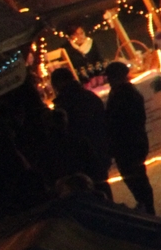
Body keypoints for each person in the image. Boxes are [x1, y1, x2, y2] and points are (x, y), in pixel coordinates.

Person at [49, 67, 112, 199]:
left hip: (82, 155)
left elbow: (69, 131)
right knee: (102, 186)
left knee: (90, 190)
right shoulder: (89, 96)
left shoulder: (65, 103)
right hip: (100, 148)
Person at [103, 61, 154, 214]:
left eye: (110, 77)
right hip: (132, 143)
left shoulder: (124, 95)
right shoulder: (124, 92)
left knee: (136, 178)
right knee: (135, 177)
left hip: (129, 144)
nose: (108, 81)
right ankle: (146, 205)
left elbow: (121, 121)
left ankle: (147, 208)